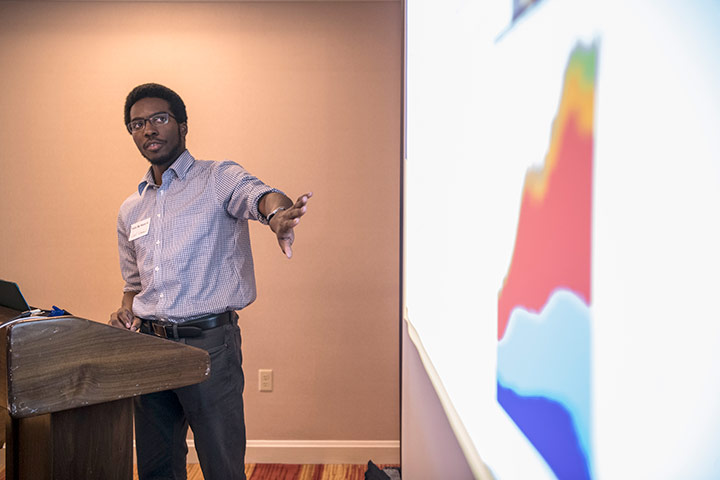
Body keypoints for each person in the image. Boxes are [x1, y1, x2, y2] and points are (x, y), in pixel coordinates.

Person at [109, 83, 311, 480]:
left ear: (182, 126)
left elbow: (261, 196)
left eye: (159, 118)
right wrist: (125, 313)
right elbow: (133, 284)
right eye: (137, 124)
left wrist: (278, 216)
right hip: (148, 346)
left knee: (221, 466)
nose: (148, 129)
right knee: (156, 468)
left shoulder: (218, 177)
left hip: (208, 347)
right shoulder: (131, 209)